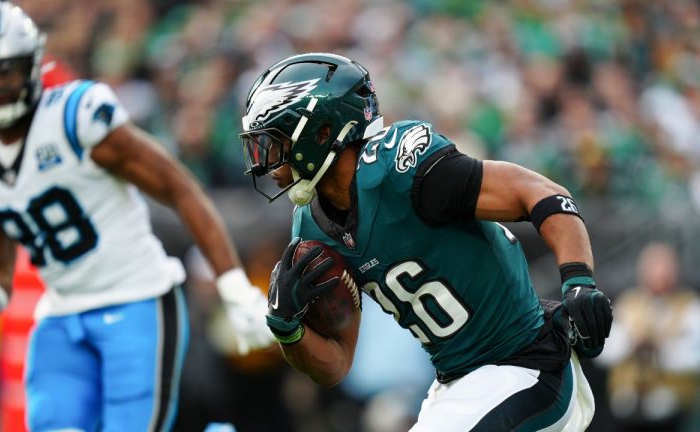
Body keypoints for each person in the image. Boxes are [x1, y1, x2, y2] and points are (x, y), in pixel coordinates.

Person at [0, 2, 273, 431]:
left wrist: (233, 284)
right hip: (60, 309)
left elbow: (179, 187)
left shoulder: (75, 117)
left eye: (7, 69)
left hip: (136, 297)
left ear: (32, 64)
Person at [239, 52, 613, 431]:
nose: (265, 163)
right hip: (456, 384)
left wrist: (579, 280)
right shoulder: (311, 229)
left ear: (321, 132)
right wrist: (288, 329)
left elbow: (542, 193)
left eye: (275, 143)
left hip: (526, 362)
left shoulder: (402, 169)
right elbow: (336, 364)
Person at [596, 241, 700, 432]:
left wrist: (661, 350)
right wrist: (632, 344)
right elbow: (604, 351)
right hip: (627, 406)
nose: (659, 274)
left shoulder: (690, 306)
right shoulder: (628, 303)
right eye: (653, 267)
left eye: (665, 267)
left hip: (671, 405)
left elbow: (694, 357)